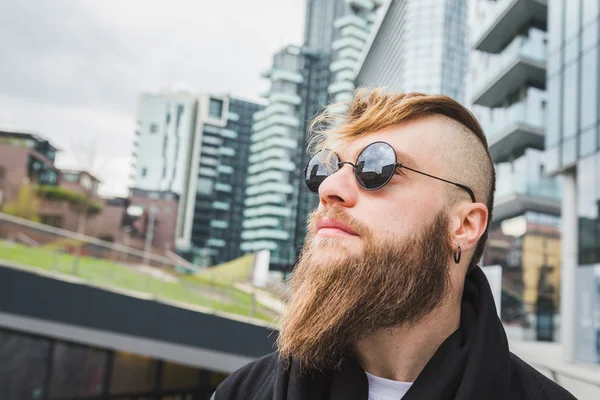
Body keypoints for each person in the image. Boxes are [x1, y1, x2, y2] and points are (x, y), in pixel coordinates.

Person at [212, 89, 576, 399]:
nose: (328, 189)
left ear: (464, 225)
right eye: (326, 168)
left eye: (376, 167)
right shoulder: (241, 391)